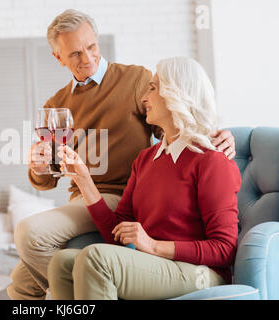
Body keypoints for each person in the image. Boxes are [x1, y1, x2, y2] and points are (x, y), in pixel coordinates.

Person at [7, 9, 236, 300]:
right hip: (85, 197)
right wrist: (39, 167)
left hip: (122, 191)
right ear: (58, 57)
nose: (87, 58)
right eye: (75, 53)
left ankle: (69, 296)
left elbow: (179, 124)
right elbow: (49, 176)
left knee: (30, 233)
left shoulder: (136, 79)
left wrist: (220, 134)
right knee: (19, 285)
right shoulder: (58, 104)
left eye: (91, 47)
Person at [47, 56, 241, 300]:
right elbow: (118, 235)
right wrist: (84, 180)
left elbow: (225, 249)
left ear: (176, 93)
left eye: (153, 87)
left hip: (202, 273)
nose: (144, 97)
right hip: (154, 262)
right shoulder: (146, 160)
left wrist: (153, 245)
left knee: (96, 258)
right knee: (62, 262)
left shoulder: (211, 161)